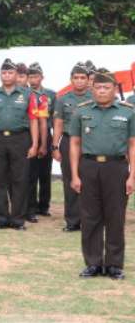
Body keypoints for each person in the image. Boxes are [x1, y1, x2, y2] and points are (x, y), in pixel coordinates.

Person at [68, 68, 134, 280]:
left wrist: (132, 176)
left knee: (115, 216)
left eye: (107, 87)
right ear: (92, 89)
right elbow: (75, 143)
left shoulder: (128, 112)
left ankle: (114, 264)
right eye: (98, 87)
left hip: (117, 168)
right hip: (89, 167)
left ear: (115, 89)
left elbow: (132, 145)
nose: (102, 91)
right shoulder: (81, 111)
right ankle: (93, 263)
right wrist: (75, 175)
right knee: (90, 217)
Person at [0, 58, 38, 230]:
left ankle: (18, 220)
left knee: (20, 180)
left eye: (10, 72)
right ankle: (2, 219)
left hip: (20, 139)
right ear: (0, 75)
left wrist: (34, 144)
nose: (7, 75)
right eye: (4, 72)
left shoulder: (27, 95)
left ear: (16, 75)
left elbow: (34, 121)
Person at [52, 63, 92, 232]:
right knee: (70, 181)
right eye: (76, 77)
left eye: (83, 77)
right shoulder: (63, 99)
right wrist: (55, 146)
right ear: (71, 79)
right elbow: (58, 123)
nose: (79, 81)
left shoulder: (95, 98)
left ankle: (90, 222)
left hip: (90, 143)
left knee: (90, 182)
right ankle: (72, 221)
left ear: (89, 80)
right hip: (68, 142)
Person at [27, 63, 56, 218]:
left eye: (35, 76)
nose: (33, 79)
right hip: (30, 135)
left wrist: (45, 143)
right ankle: (30, 206)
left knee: (45, 173)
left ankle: (44, 206)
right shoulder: (24, 94)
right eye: (30, 76)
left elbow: (55, 117)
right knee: (31, 173)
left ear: (42, 77)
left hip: (46, 134)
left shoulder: (51, 94)